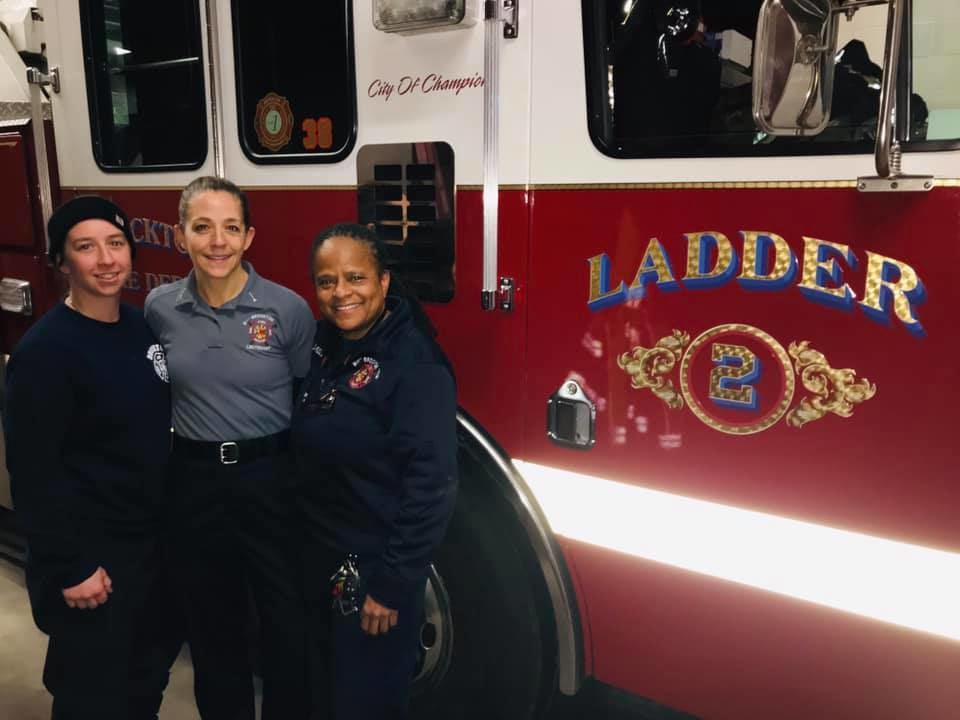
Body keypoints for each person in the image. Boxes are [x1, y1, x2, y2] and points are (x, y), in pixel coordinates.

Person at [144, 176, 314, 720]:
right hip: (195, 486)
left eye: (230, 228)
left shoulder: (287, 311)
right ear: (180, 235)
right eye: (202, 227)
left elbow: (307, 394)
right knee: (213, 629)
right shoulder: (159, 308)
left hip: (272, 481)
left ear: (249, 237)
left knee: (286, 625)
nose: (217, 242)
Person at [4, 195, 174, 719]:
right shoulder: (46, 352)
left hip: (149, 546)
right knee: (91, 694)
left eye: (116, 243)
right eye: (86, 247)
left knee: (145, 680)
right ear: (61, 262)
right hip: (93, 557)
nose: (105, 259)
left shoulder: (138, 327)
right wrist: (70, 565)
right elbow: (33, 472)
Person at [292, 223, 458, 719]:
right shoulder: (328, 344)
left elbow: (432, 486)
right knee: (325, 695)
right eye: (326, 281)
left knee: (365, 704)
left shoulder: (415, 365)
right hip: (320, 557)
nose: (341, 292)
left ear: (383, 282)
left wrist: (390, 587)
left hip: (373, 575)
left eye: (355, 277)